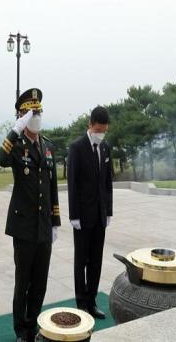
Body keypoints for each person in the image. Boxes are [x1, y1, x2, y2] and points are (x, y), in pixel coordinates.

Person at [0, 88, 61, 342]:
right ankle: (21, 331)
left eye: (39, 112)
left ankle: (33, 325)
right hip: (23, 227)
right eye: (31, 113)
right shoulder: (16, 145)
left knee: (40, 283)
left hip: (44, 226)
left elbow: (52, 187)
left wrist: (55, 221)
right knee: (22, 282)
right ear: (22, 116)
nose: (36, 116)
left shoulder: (47, 146)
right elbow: (1, 158)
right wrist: (15, 130)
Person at [67, 106, 113, 319]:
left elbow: (107, 182)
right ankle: (81, 303)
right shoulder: (76, 148)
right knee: (81, 260)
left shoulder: (105, 148)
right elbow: (73, 183)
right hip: (83, 216)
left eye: (104, 130)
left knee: (96, 260)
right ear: (90, 125)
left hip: (100, 215)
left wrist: (109, 210)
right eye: (98, 129)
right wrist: (73, 214)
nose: (100, 133)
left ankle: (92, 301)